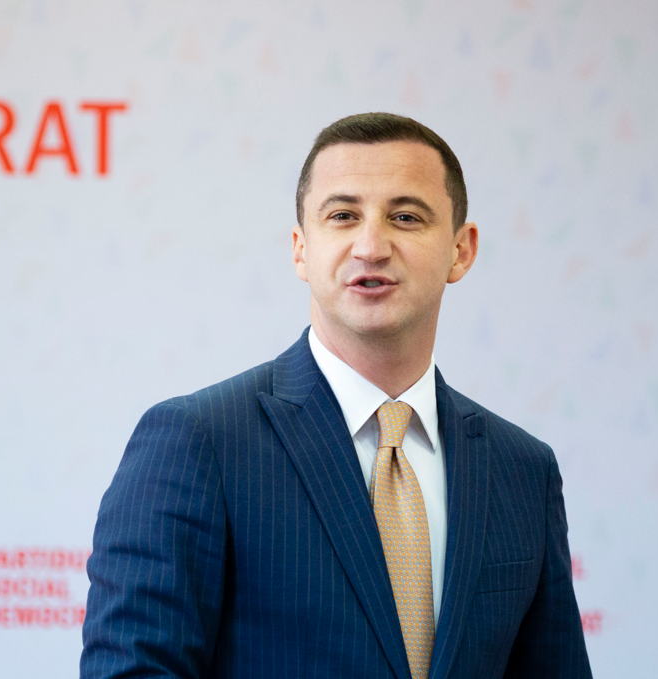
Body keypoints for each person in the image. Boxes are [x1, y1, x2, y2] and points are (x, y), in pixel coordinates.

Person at [80, 113, 592, 679]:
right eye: (343, 216)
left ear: (461, 250)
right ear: (301, 249)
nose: (371, 246)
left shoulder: (523, 470)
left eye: (405, 217)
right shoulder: (198, 441)